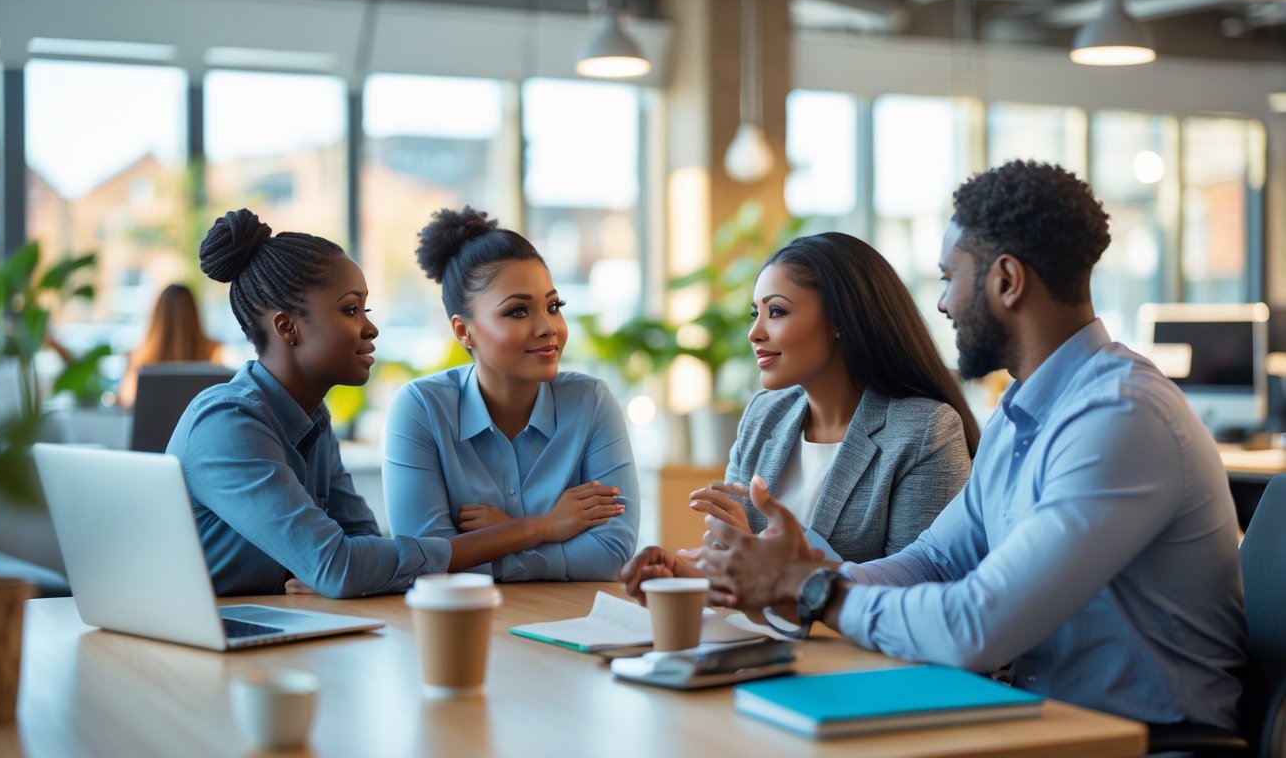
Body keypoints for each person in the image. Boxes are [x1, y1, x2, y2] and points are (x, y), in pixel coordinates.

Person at [622, 160, 1246, 731]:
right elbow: (934, 561)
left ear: (1007, 281)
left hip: (1143, 741)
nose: (942, 303)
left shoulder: (1120, 418)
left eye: (950, 278)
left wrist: (813, 589)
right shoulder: (1020, 416)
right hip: (1044, 723)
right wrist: (788, 576)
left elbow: (978, 625)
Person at [169, 209, 559, 598]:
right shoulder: (227, 422)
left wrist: (350, 570)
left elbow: (361, 546)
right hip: (197, 630)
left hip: (276, 620)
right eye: (350, 309)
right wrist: (533, 528)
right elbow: (341, 567)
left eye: (365, 310)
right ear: (288, 327)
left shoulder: (312, 419)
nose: (371, 328)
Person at [688, 232, 978, 563]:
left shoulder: (925, 430)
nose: (755, 333)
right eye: (756, 313)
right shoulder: (763, 414)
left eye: (777, 311)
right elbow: (727, 556)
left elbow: (918, 579)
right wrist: (679, 570)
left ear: (839, 319)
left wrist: (759, 554)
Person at [384, 206, 638, 582]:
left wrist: (499, 536)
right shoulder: (420, 409)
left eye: (553, 306)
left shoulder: (591, 402)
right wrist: (541, 528)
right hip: (463, 615)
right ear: (463, 331)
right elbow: (425, 560)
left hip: (568, 616)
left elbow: (610, 554)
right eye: (518, 311)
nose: (547, 327)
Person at [118, 283, 225, 408]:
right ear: (194, 313)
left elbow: (127, 402)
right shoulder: (213, 351)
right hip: (197, 420)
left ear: (158, 315)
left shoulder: (140, 355)